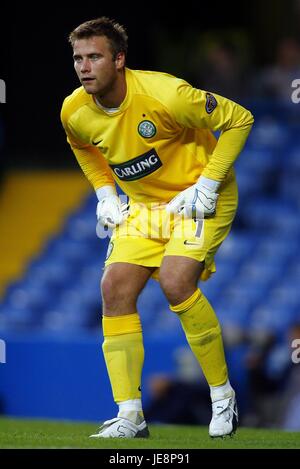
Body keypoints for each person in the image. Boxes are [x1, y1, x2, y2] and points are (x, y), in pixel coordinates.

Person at [61, 17, 254, 439]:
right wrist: (105, 194)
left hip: (201, 197)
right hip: (146, 207)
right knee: (114, 290)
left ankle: (223, 397)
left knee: (175, 281)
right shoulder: (75, 110)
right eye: (78, 58)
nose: (84, 66)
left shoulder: (167, 94)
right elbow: (83, 147)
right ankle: (131, 415)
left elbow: (240, 119)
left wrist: (208, 182)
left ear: (119, 59)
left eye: (95, 56)